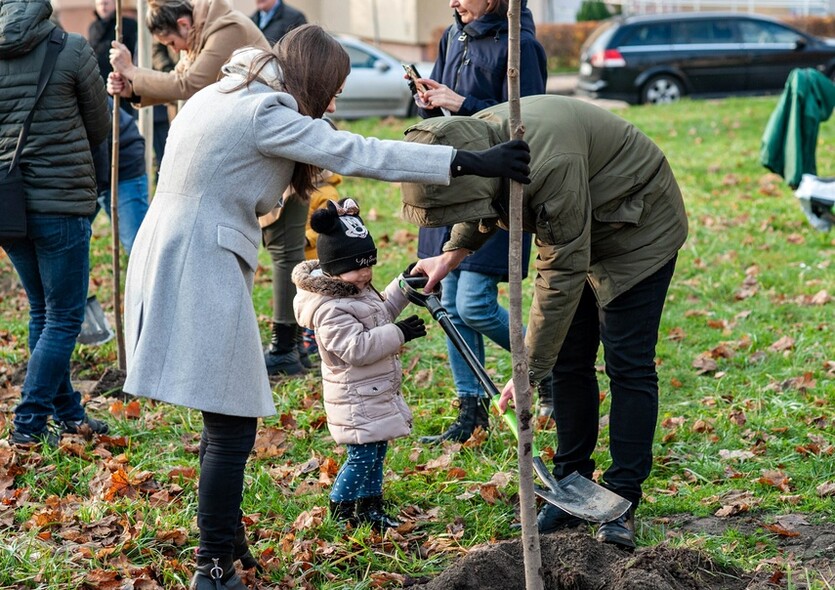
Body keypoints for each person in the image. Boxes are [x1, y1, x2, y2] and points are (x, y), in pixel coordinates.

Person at [121, 25, 529, 589]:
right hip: (197, 258)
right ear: (311, 76)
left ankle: (228, 546)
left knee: (226, 418)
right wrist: (471, 161)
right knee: (232, 422)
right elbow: (359, 152)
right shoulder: (264, 111)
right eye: (332, 87)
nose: (333, 101)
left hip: (170, 249)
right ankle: (213, 568)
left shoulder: (222, 92)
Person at [403, 95, 688, 550]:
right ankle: (570, 480)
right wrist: (451, 253)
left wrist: (528, 369)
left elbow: (561, 272)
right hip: (581, 221)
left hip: (637, 225)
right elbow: (484, 197)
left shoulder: (547, 161)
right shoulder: (472, 139)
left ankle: (622, 496)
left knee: (627, 363)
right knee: (569, 361)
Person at [411, 0, 548, 444]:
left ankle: (550, 364)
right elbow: (445, 124)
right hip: (451, 183)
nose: (453, 2)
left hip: (493, 190)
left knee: (472, 304)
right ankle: (471, 408)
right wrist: (431, 103)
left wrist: (463, 101)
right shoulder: (453, 37)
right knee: (449, 306)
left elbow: (528, 123)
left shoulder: (520, 44)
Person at [0, 0, 111, 445]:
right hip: (61, 201)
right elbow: (100, 123)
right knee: (63, 317)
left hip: (8, 202)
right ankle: (28, 423)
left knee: (43, 311)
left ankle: (68, 412)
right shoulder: (72, 48)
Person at [293, 198, 426, 530]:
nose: (366, 273)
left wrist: (403, 285)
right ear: (334, 267)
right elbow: (356, 347)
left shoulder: (356, 288)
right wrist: (399, 333)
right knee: (362, 457)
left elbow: (380, 313)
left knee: (376, 454)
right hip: (355, 397)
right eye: (358, 266)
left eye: (370, 265)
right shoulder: (331, 307)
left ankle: (370, 506)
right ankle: (340, 509)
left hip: (373, 392)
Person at [107, 0, 268, 108]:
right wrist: (132, 92)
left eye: (171, 43)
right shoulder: (197, 30)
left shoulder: (227, 27)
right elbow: (176, 80)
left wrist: (132, 71)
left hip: (267, 108)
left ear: (183, 24)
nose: (175, 51)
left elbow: (188, 85)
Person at [90, 97, 149, 254]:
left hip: (123, 165)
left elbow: (99, 149)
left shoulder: (85, 92)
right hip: (88, 173)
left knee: (137, 247)